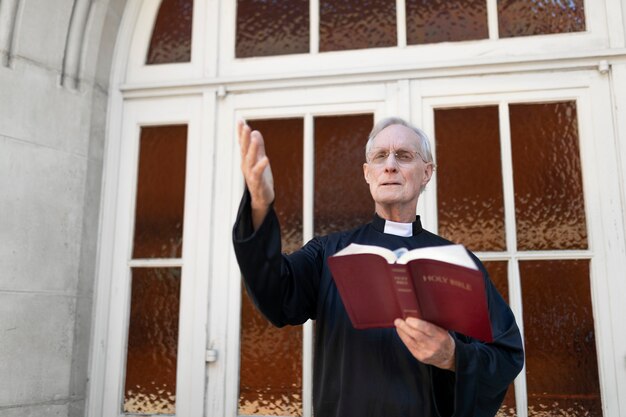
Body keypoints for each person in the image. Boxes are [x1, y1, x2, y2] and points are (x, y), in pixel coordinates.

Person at [232, 116, 524, 417]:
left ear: (427, 173)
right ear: (367, 173)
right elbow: (274, 295)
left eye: (404, 156)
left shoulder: (458, 262)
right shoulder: (327, 253)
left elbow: (506, 355)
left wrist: (454, 356)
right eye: (380, 156)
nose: (390, 165)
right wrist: (259, 205)